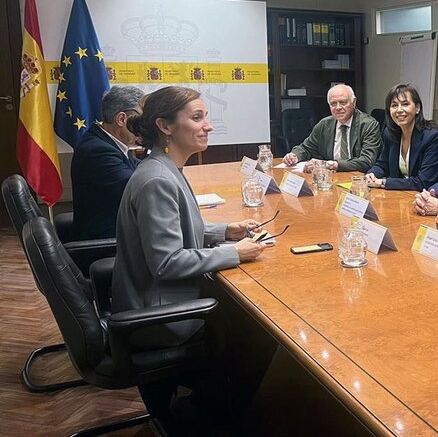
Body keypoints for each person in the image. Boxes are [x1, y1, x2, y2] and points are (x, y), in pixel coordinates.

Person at [112, 86, 269, 347]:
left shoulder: (164, 167)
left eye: (206, 117)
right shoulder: (158, 180)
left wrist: (226, 231)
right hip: (160, 315)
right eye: (197, 118)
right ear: (165, 126)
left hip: (159, 297)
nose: (208, 126)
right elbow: (167, 262)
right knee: (258, 323)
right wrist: (235, 253)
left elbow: (173, 229)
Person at [70, 85, 145, 241]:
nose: (144, 127)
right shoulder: (97, 151)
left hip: (122, 228)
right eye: (141, 120)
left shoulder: (107, 142)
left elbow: (141, 169)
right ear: (122, 119)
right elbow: (139, 192)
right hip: (109, 241)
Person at [282, 84, 382, 173]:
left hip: (357, 178)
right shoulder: (325, 124)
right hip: (331, 177)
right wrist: (294, 155)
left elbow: (367, 161)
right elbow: (306, 148)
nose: (338, 107)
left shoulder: (368, 125)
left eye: (343, 102)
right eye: (333, 103)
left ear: (353, 102)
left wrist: (330, 165)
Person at [365, 84, 438, 191]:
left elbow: (423, 182)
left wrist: (383, 182)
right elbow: (382, 164)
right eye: (394, 105)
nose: (399, 110)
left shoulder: (432, 137)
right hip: (398, 196)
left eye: (405, 104)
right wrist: (372, 174)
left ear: (417, 108)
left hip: (425, 198)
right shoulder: (389, 134)